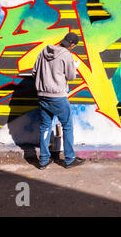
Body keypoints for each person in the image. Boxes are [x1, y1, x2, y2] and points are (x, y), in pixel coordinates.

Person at [32, 32, 85, 169]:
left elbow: (34, 72)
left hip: (42, 95)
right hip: (58, 97)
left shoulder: (44, 51)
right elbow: (71, 76)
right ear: (72, 45)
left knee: (45, 126)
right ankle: (69, 159)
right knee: (67, 125)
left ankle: (43, 160)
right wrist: (75, 66)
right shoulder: (67, 55)